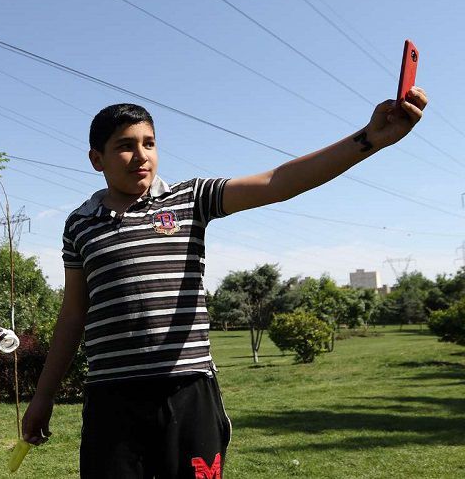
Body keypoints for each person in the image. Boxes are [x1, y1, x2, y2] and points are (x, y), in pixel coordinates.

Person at [21, 89, 428, 478]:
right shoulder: (80, 224)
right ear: (97, 159)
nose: (141, 155)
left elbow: (279, 182)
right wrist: (43, 396)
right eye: (125, 145)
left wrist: (368, 140)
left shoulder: (189, 199)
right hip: (112, 398)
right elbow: (74, 314)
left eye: (149, 142)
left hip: (189, 390)